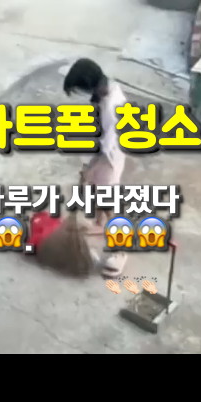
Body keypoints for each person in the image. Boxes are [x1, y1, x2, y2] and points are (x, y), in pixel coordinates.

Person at [63, 58, 128, 277]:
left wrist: (90, 169)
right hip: (103, 151)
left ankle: (121, 250)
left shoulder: (114, 107)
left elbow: (107, 146)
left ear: (91, 84)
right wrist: (86, 165)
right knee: (96, 190)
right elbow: (96, 133)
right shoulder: (103, 93)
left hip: (111, 157)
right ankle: (100, 223)